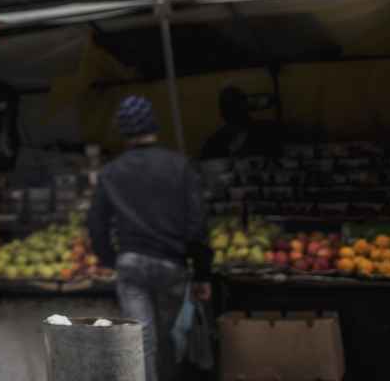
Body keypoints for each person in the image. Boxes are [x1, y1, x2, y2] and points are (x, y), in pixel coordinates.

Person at [88, 96, 212, 381]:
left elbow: (96, 224)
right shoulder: (180, 166)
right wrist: (203, 273)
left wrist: (111, 259)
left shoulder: (111, 172)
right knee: (171, 338)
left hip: (131, 265)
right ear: (154, 125)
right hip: (172, 265)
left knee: (141, 341)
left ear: (123, 131)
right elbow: (197, 224)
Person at [200, 86, 283, 160]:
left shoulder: (266, 131)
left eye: (237, 105)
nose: (235, 111)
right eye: (231, 107)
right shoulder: (214, 143)